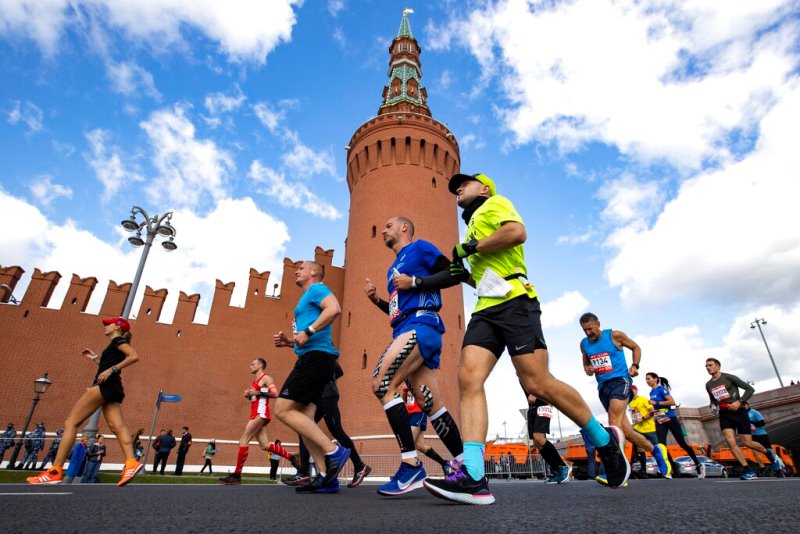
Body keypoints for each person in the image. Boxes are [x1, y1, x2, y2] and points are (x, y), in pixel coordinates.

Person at [424, 173, 631, 505]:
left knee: (537, 383)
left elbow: (516, 233)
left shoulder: (494, 204)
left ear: (485, 187)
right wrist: (420, 282)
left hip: (516, 300)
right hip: (485, 309)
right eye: (454, 188)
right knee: (468, 378)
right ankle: (475, 478)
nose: (457, 189)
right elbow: (464, 274)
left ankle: (603, 440)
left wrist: (470, 246)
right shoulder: (473, 225)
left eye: (464, 183)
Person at [364, 216, 465, 496]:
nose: (383, 229)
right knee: (431, 404)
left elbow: (455, 272)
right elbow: (398, 311)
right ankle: (465, 468)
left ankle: (411, 465)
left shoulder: (419, 249)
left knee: (381, 384)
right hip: (405, 327)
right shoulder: (391, 271)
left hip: (422, 325)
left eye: (388, 225)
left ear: (404, 228)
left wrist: (416, 280)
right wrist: (377, 302)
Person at [27, 317, 143, 486]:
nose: (105, 326)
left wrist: (112, 369)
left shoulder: (118, 340)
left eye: (108, 324)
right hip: (115, 388)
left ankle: (55, 470)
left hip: (104, 386)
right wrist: (96, 358)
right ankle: (131, 462)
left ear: (117, 327)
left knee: (71, 423)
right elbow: (110, 363)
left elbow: (134, 356)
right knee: (117, 426)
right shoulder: (114, 344)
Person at [272, 260, 351, 494]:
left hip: (317, 358)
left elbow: (334, 308)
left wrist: (308, 331)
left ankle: (334, 452)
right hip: (314, 356)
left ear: (314, 272)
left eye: (302, 268)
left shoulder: (317, 289)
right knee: (304, 420)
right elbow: (306, 339)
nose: (297, 271)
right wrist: (290, 342)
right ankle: (327, 476)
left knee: (282, 409)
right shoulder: (306, 298)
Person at [579, 313, 671, 481]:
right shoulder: (584, 344)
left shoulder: (614, 335)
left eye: (590, 329)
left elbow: (636, 347)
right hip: (603, 388)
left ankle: (617, 471)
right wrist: (589, 370)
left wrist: (635, 365)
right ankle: (657, 451)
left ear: (598, 324)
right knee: (627, 432)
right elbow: (586, 366)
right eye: (585, 330)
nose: (588, 333)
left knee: (613, 422)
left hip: (621, 381)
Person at [284, 365, 371, 488]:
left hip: (327, 395)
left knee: (336, 431)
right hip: (316, 398)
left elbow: (339, 370)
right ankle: (304, 472)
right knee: (303, 428)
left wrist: (324, 379)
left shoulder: (323, 352)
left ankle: (360, 466)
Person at [219, 358, 298, 485]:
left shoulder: (266, 378)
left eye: (253, 364)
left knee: (243, 440)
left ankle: (237, 475)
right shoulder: (255, 381)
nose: (250, 366)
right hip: (256, 413)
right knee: (265, 445)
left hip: (260, 414)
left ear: (260, 365)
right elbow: (258, 396)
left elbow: (275, 394)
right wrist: (250, 395)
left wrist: (258, 392)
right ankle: (292, 457)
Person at [704, 358, 781, 480]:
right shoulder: (708, 384)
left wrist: (740, 402)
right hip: (724, 414)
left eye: (710, 365)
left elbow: (750, 389)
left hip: (738, 412)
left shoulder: (729, 377)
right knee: (730, 441)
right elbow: (713, 400)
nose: (708, 368)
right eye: (706, 366)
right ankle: (748, 471)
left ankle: (769, 454)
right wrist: (713, 406)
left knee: (747, 442)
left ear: (718, 366)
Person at [645, 372, 704, 478]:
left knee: (682, 444)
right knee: (661, 445)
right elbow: (656, 406)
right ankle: (668, 468)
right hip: (660, 419)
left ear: (655, 379)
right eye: (646, 379)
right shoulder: (651, 393)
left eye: (649, 379)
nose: (647, 381)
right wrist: (652, 410)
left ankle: (698, 464)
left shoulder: (661, 389)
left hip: (670, 418)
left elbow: (672, 402)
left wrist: (657, 403)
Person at [403, 385, 454, 477]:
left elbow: (427, 395)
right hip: (410, 415)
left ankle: (412, 469)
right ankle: (444, 464)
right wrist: (405, 393)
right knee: (419, 445)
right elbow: (406, 400)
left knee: (408, 441)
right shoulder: (406, 382)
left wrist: (415, 392)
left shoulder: (416, 381)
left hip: (419, 412)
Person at [523, 388, 571, 484]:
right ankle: (557, 470)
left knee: (538, 437)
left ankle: (563, 466)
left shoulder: (534, 372)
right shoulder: (519, 374)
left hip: (543, 404)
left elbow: (548, 382)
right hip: (531, 408)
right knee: (537, 443)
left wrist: (536, 393)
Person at [745, 403, 783, 477]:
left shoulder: (754, 412)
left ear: (748, 405)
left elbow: (762, 423)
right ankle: (761, 468)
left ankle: (778, 470)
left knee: (768, 452)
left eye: (744, 405)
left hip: (761, 435)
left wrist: (752, 422)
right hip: (752, 436)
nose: (743, 407)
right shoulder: (743, 414)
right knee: (755, 452)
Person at [628, 386, 657, 478]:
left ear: (636, 390)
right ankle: (643, 470)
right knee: (640, 448)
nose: (631, 392)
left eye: (632, 390)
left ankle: (668, 466)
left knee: (657, 448)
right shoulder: (630, 403)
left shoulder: (644, 399)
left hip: (650, 428)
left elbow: (653, 411)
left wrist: (643, 418)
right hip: (638, 428)